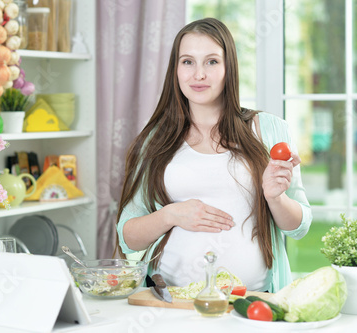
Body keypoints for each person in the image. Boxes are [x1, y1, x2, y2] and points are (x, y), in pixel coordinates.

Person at [115, 18, 312, 293]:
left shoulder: (269, 130)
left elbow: (299, 226)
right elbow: (128, 236)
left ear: (228, 68)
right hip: (171, 301)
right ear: (175, 70)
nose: (198, 75)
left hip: (251, 301)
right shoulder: (156, 139)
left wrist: (275, 197)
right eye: (187, 62)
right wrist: (170, 215)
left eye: (211, 62)